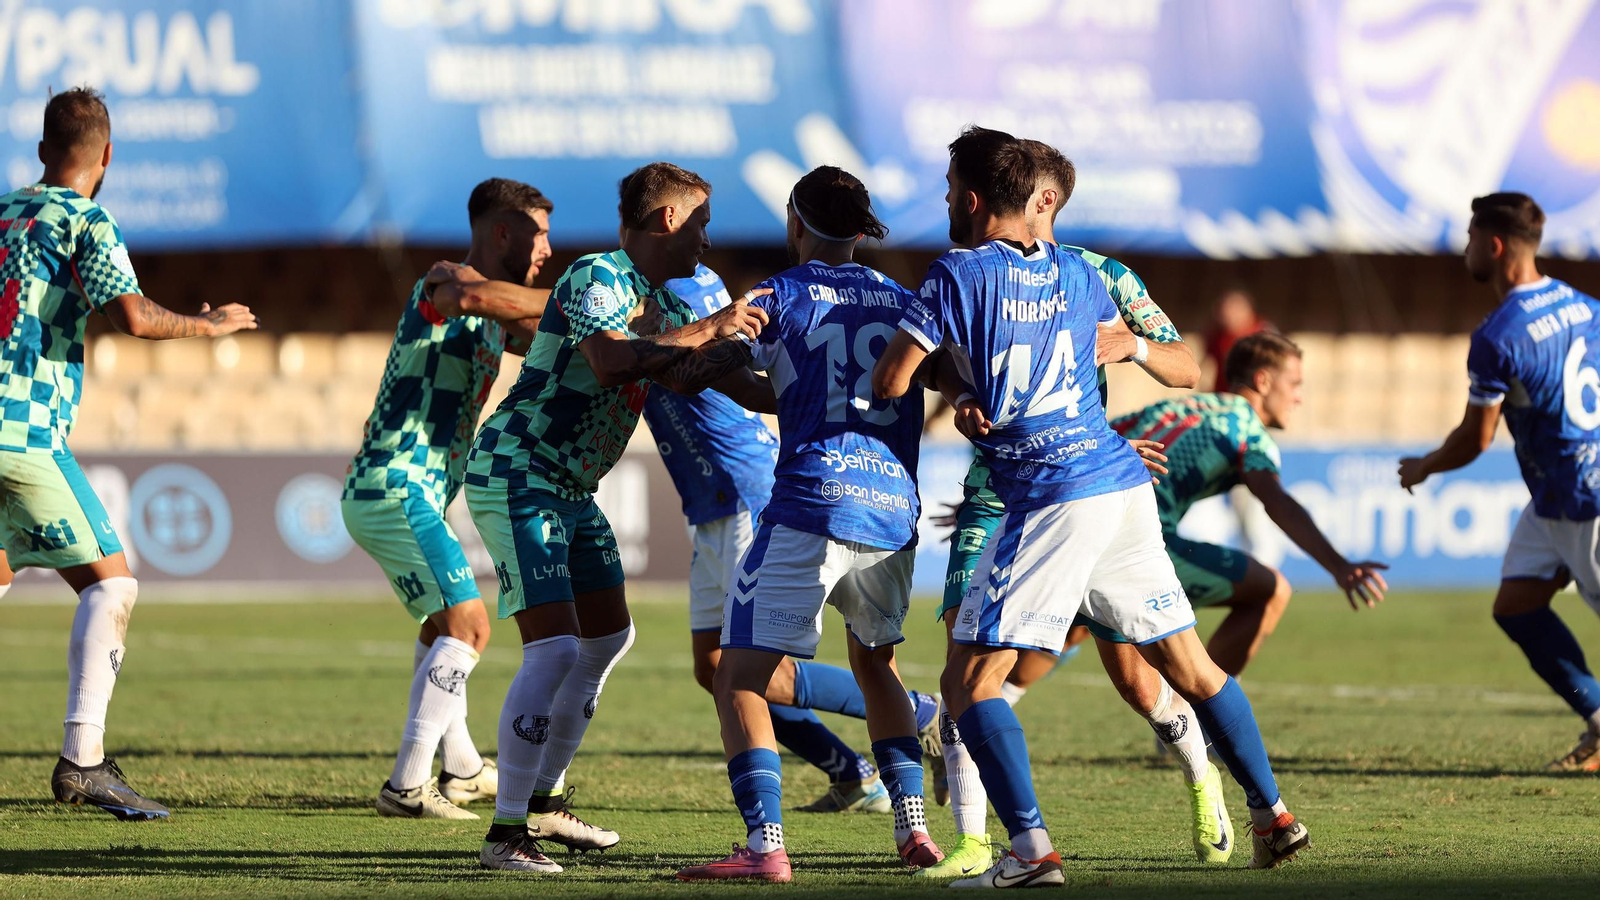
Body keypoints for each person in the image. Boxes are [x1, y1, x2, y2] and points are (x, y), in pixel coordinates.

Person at [875, 126, 1310, 887]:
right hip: (1118, 480)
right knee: (1189, 665)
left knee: (968, 683)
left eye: (948, 190)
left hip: (1049, 490)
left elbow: (891, 380)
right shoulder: (1081, 273)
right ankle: (1273, 816)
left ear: (972, 200)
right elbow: (1052, 363)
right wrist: (979, 390)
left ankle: (1029, 851)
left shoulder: (956, 273)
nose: (944, 202)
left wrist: (946, 378)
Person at [918, 139, 1217, 879]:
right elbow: (933, 353)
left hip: (1083, 491)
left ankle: (1203, 777)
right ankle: (976, 844)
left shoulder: (1099, 274)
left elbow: (1186, 365)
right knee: (964, 665)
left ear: (1046, 199)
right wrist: (959, 393)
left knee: (1136, 679)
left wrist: (1131, 349)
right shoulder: (978, 269)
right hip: (997, 492)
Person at [466, 161, 773, 874]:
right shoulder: (596, 277)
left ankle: (544, 800)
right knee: (554, 650)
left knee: (608, 637)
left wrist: (817, 387)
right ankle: (504, 834)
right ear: (668, 219)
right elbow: (610, 362)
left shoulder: (657, 302)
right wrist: (713, 326)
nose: (706, 239)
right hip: (520, 471)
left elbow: (704, 377)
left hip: (569, 489)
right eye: (701, 222)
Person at [677, 166, 949, 883]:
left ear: (795, 223)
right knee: (877, 664)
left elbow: (703, 369)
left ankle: (765, 845)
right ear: (860, 231)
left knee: (738, 676)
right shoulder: (902, 299)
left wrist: (667, 346)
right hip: (892, 510)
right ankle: (914, 830)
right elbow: (943, 378)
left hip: (812, 503)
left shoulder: (780, 295)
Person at [2, 87, 257, 819]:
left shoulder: (4, 212)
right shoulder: (86, 218)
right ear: (107, 156)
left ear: (43, 149)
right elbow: (133, 316)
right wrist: (208, 325)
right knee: (111, 587)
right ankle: (83, 760)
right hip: (22, 431)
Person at [645, 262, 939, 815]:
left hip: (745, 488)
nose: (706, 238)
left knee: (756, 670)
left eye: (704, 224)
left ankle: (924, 713)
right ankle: (853, 774)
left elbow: (592, 331)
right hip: (711, 499)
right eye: (702, 224)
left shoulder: (674, 283)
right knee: (713, 667)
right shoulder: (647, 283)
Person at [341, 178, 555, 820]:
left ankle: (460, 768)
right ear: (503, 232)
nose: (548, 248)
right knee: (471, 626)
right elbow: (461, 293)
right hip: (396, 485)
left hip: (407, 492)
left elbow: (547, 331)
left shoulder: (490, 319)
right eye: (539, 234)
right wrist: (591, 298)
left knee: (441, 627)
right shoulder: (442, 286)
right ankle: (406, 787)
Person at [1400, 192, 1600, 772]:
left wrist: (1424, 466)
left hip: (1582, 499)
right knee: (1516, 606)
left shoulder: (1498, 335)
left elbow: (1475, 438)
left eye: (1469, 238)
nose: (1464, 248)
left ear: (1493, 245)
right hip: (1555, 497)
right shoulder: (1587, 306)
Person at [1111, 334, 1389, 671]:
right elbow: (1276, 502)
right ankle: (1208, 700)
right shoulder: (1249, 431)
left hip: (1088, 519)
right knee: (1271, 591)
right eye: (1295, 384)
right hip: (1137, 542)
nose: (1299, 397)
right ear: (1263, 381)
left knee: (1083, 621)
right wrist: (1338, 566)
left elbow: (1109, 432)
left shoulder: (1182, 407)